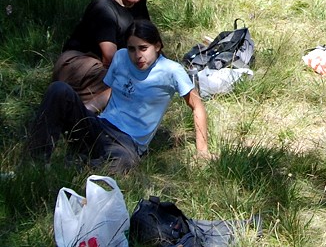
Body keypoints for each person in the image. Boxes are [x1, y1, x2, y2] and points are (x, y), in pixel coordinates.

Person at [28, 20, 210, 172]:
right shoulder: (121, 57)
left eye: (143, 48)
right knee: (59, 89)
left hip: (127, 142)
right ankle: (34, 164)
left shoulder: (172, 70)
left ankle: (74, 169)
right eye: (132, 48)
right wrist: (83, 112)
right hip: (100, 125)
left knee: (125, 164)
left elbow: (197, 106)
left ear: (157, 46)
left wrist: (202, 150)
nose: (137, 55)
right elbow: (111, 91)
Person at [53, 0, 152, 112]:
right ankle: (80, 115)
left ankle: (85, 111)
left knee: (141, 83)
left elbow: (148, 37)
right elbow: (110, 57)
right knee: (131, 85)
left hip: (108, 65)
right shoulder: (103, 8)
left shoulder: (137, 2)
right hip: (79, 64)